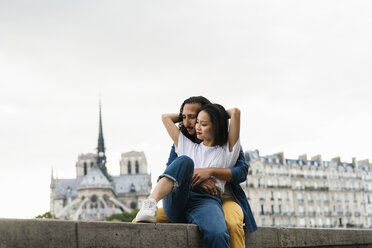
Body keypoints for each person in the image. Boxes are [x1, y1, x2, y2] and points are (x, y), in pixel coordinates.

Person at [134, 96, 257, 248]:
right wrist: (197, 175)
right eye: (195, 121)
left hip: (206, 201)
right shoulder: (186, 145)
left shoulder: (227, 151)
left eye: (201, 122)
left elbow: (236, 113)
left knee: (219, 234)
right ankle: (151, 202)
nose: (193, 125)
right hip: (179, 196)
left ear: (216, 125)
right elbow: (165, 117)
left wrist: (215, 113)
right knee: (185, 161)